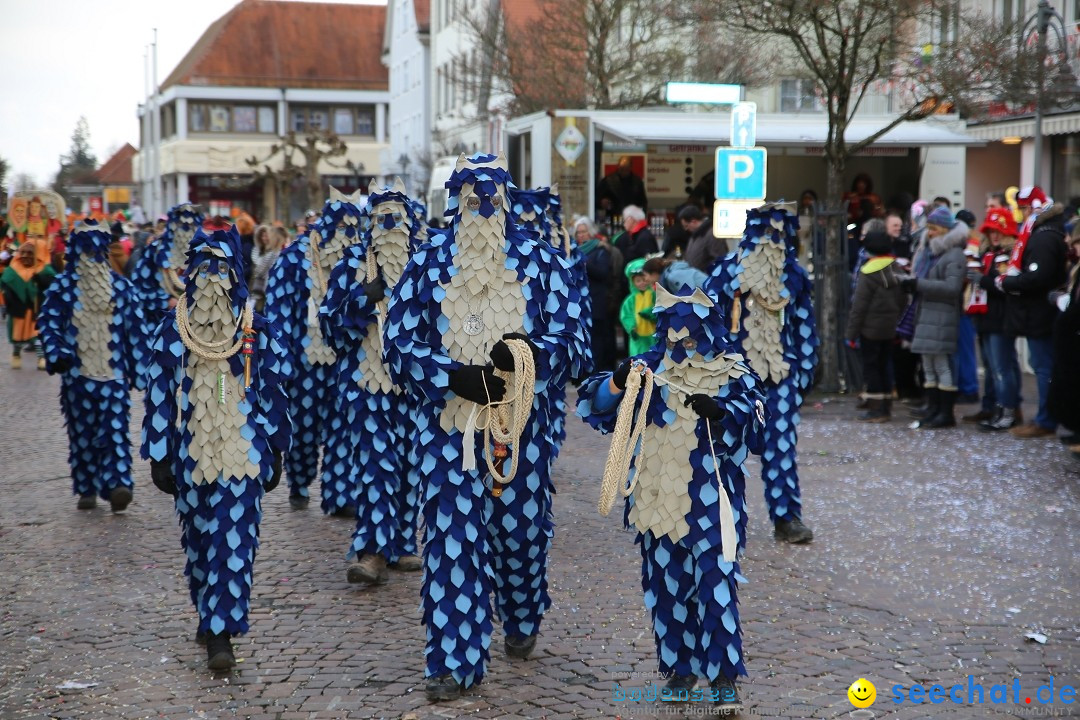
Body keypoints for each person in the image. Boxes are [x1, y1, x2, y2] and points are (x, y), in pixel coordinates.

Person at [382, 153, 587, 701]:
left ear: (506, 198)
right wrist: (451, 375)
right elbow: (397, 342)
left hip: (519, 428)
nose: (481, 202)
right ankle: (455, 660)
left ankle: (521, 617)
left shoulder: (541, 263)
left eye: (490, 192)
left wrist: (524, 353)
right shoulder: (427, 264)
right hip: (449, 430)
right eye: (470, 193)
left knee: (519, 538)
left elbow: (573, 341)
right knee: (453, 541)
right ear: (455, 200)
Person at [576, 285, 765, 713]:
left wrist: (721, 412)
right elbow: (596, 406)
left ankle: (723, 678)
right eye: (675, 334)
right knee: (667, 587)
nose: (683, 342)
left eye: (692, 333)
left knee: (716, 585)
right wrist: (618, 379)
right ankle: (679, 669)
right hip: (655, 498)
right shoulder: (648, 368)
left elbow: (757, 420)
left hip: (711, 502)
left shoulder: (732, 371)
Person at [141, 226, 290, 671]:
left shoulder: (254, 329)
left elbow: (273, 390)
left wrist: (276, 447)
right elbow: (159, 391)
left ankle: (222, 632)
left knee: (234, 538)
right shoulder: (173, 328)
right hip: (190, 450)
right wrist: (160, 454)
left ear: (236, 272)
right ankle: (209, 611)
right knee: (200, 539)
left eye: (221, 267)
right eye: (203, 266)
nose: (212, 276)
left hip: (242, 451)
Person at [319, 179, 425, 582]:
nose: (390, 224)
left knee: (411, 466)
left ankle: (402, 543)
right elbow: (330, 328)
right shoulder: (350, 266)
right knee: (376, 465)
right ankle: (372, 550)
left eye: (397, 217)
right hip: (367, 384)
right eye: (382, 218)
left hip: (415, 385)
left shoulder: (427, 267)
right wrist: (363, 299)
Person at [704, 205, 818, 544]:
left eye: (777, 235)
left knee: (780, 446)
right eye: (763, 234)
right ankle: (718, 515)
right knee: (723, 445)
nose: (770, 242)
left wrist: (803, 373)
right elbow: (708, 321)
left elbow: (805, 326)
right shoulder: (727, 274)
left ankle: (786, 517)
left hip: (780, 374)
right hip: (734, 376)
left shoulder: (793, 276)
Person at [38, 220, 149, 511]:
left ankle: (118, 486)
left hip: (114, 374)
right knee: (83, 431)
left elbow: (135, 331)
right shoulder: (63, 288)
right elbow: (49, 323)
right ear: (76, 253)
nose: (91, 258)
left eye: (97, 251)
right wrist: (56, 351)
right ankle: (86, 486)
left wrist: (140, 370)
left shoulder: (122, 289)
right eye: (86, 252)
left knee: (115, 430)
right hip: (77, 375)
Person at [265, 188, 363, 512]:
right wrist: (283, 356)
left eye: (353, 228)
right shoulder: (294, 258)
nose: (348, 235)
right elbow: (278, 310)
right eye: (342, 227)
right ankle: (300, 480)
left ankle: (339, 495)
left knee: (342, 430)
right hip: (305, 361)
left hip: (345, 360)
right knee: (304, 430)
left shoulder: (360, 263)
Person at [999, 189, 1069, 439]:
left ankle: (1046, 419)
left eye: (1024, 208)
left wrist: (1009, 283)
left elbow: (1038, 276)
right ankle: (1047, 417)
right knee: (1043, 365)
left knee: (1043, 366)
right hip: (1040, 310)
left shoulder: (1043, 236)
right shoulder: (1044, 233)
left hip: (1041, 312)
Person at [900, 207, 968, 429]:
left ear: (945, 230)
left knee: (941, 365)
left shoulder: (954, 254)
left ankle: (945, 412)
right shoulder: (933, 252)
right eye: (928, 228)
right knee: (928, 364)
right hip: (927, 313)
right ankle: (933, 408)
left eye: (934, 229)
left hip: (942, 315)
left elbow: (952, 287)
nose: (929, 233)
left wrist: (919, 284)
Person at [969, 208, 1022, 430]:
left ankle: (1008, 411)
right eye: (991, 231)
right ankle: (997, 408)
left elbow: (1007, 287)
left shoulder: (1008, 256)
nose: (995, 235)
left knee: (1002, 368)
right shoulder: (987, 254)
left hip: (1000, 318)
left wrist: (983, 280)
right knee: (993, 367)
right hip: (985, 317)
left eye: (999, 231)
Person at [845, 231, 906, 422]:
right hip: (890, 328)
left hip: (869, 329)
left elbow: (859, 306)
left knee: (871, 368)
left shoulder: (867, 272)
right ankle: (886, 406)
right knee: (885, 365)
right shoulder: (897, 268)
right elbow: (904, 299)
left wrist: (851, 333)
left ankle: (876, 408)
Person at [131, 203, 204, 331]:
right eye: (181, 225)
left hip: (198, 323)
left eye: (191, 225)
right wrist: (165, 301)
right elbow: (139, 288)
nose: (186, 230)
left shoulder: (206, 252)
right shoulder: (156, 250)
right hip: (161, 322)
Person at [1, 243, 56, 369]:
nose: (25, 256)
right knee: (17, 333)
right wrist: (9, 302)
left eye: (30, 253)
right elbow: (5, 285)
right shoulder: (13, 270)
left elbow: (52, 284)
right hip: (18, 309)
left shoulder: (44, 269)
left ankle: (41, 357)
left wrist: (40, 279)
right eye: (23, 253)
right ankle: (16, 354)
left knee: (37, 333)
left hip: (36, 309)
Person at [574, 216, 616, 372]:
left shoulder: (600, 250)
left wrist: (585, 263)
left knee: (597, 339)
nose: (581, 235)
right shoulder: (573, 250)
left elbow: (603, 273)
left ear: (591, 233)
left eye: (584, 232)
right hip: (579, 302)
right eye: (578, 233)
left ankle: (596, 371)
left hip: (596, 302)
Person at [621, 257, 658, 357]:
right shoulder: (630, 300)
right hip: (638, 338)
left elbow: (659, 309)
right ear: (632, 282)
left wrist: (651, 314)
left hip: (654, 336)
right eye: (638, 281)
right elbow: (626, 315)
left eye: (644, 280)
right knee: (639, 361)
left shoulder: (654, 295)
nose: (642, 283)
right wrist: (631, 328)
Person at [679, 205, 730, 272]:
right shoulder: (695, 235)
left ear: (694, 221)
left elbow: (719, 259)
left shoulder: (712, 234)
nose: (686, 229)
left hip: (706, 279)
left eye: (686, 226)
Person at [249, 225, 286, 313]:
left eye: (266, 235)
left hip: (268, 287)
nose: (264, 238)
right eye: (262, 235)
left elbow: (261, 269)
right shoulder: (256, 250)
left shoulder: (274, 252)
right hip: (255, 286)